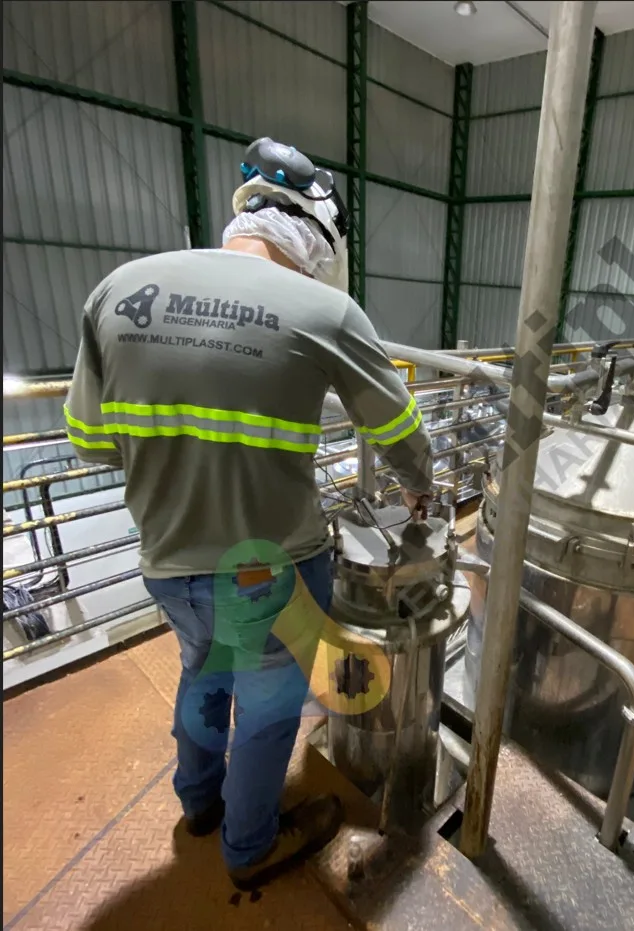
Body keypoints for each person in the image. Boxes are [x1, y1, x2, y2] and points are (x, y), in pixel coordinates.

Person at [64, 137, 434, 890]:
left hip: (169, 561)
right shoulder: (323, 308)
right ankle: (248, 844)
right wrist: (419, 487)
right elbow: (396, 429)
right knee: (267, 709)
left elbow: (91, 443)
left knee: (203, 667)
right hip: (274, 571)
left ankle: (198, 802)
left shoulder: (117, 288)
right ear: (316, 241)